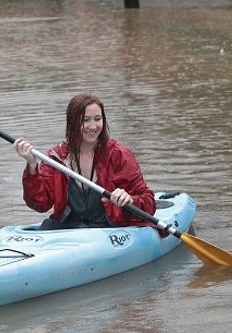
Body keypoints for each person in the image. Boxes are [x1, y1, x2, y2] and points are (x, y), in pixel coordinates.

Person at [13, 93, 155, 230]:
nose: (93, 126)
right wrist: (32, 166)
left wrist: (130, 200)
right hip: (68, 228)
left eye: (97, 119)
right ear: (72, 122)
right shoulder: (56, 158)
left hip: (108, 230)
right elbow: (39, 204)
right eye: (85, 120)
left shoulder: (119, 155)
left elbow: (149, 203)